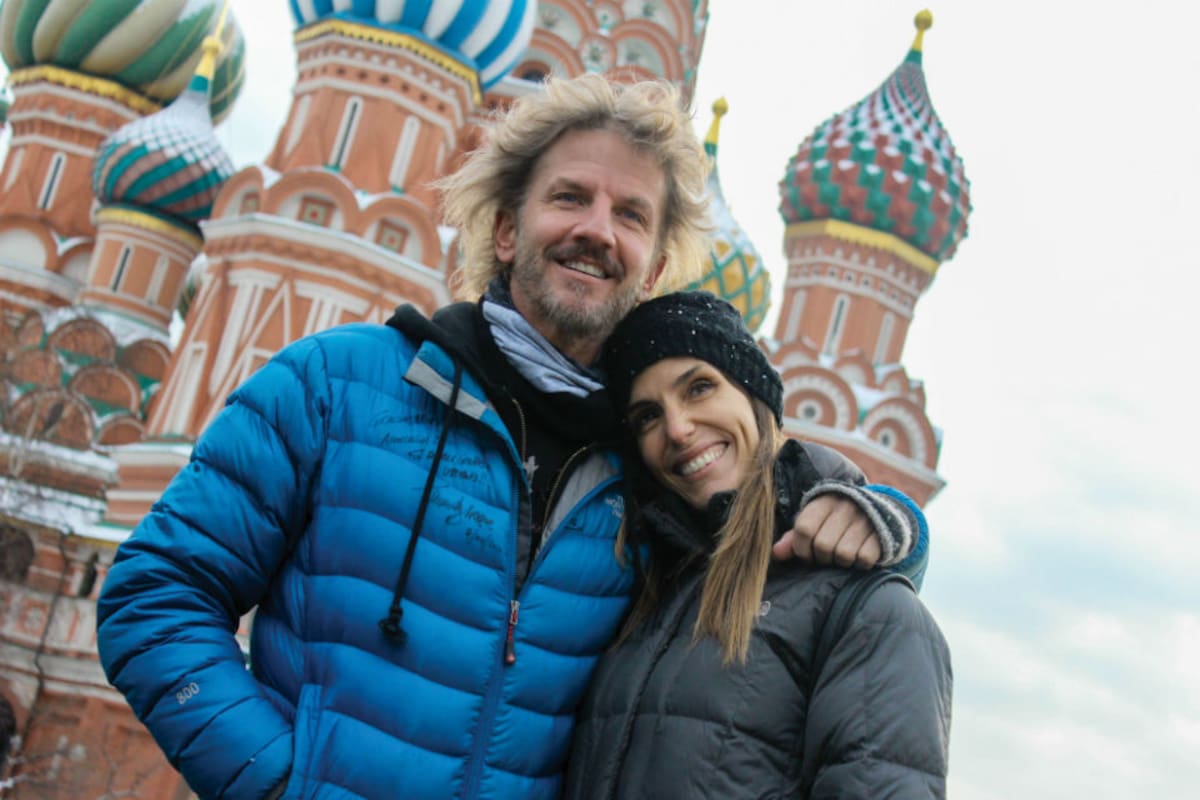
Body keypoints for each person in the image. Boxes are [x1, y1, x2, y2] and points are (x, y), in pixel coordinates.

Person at [95, 74, 928, 800]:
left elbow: (765, 524)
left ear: (651, 269)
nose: (597, 229)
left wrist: (885, 518)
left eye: (630, 214)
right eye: (570, 197)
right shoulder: (340, 382)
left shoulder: (643, 472)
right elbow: (155, 591)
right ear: (504, 230)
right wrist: (278, 782)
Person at [563, 291, 952, 800]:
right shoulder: (647, 589)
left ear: (754, 395)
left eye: (700, 388)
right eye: (647, 417)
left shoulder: (864, 609)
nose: (677, 429)